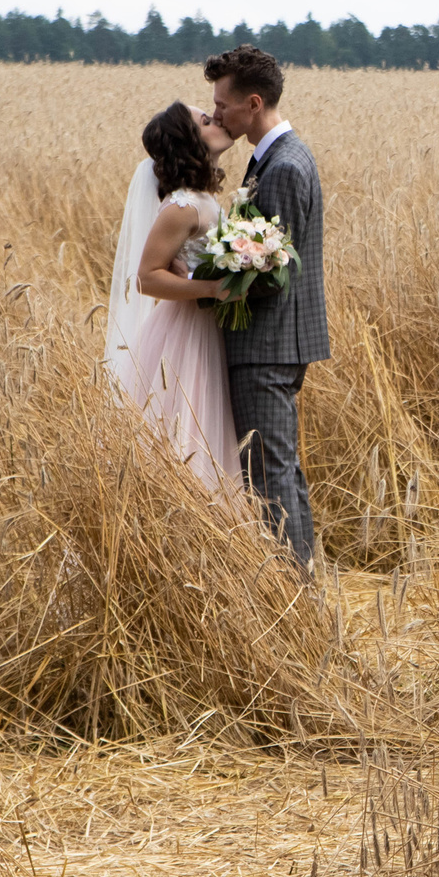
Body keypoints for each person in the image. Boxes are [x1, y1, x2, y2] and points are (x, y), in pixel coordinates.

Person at [205, 44, 328, 568]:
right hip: (277, 343)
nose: (216, 115)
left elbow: (272, 276)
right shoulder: (279, 158)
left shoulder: (282, 167)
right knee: (279, 468)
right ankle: (302, 592)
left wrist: (205, 283)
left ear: (253, 104)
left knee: (269, 475)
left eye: (222, 104)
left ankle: (293, 598)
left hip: (267, 344)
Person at [104, 101, 242, 493]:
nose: (216, 119)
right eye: (205, 120)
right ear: (190, 141)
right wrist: (212, 289)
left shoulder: (202, 199)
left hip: (206, 327)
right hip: (187, 334)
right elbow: (147, 278)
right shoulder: (182, 206)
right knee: (189, 437)